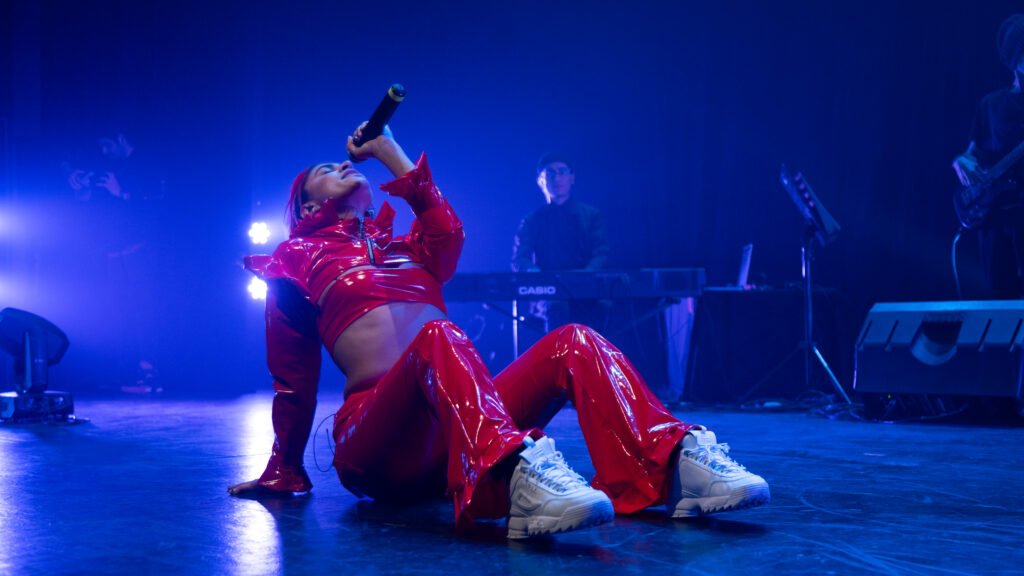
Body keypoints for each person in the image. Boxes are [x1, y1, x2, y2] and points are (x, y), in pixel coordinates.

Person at [228, 125, 769, 539]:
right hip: (377, 447)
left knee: (575, 340)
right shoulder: (294, 256)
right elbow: (293, 381)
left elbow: (447, 230)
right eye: (328, 169)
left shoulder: (410, 248)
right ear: (306, 204)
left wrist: (390, 151)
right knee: (438, 335)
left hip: (456, 431)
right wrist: (284, 469)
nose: (345, 165)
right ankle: (515, 479)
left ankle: (672, 464)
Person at [952, 14, 1024, 299]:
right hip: (996, 222)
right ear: (1016, 60)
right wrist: (962, 162)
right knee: (1001, 304)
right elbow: (971, 155)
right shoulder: (991, 105)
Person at [511, 154, 612, 333]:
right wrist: (539, 276)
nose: (557, 178)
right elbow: (520, 260)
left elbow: (601, 253)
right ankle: (559, 352)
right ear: (540, 181)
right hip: (547, 293)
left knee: (600, 307)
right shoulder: (531, 221)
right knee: (557, 306)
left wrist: (584, 277)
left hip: (587, 291)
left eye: (562, 172)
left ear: (572, 178)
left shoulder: (592, 215)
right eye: (550, 174)